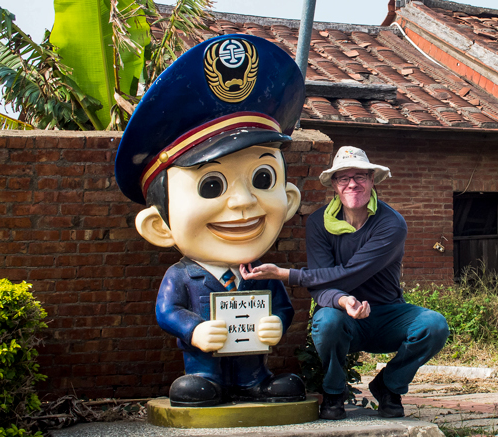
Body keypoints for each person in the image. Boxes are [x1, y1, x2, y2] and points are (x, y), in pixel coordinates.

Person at [114, 34, 307, 407]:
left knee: (275, 385)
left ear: (289, 200)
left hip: (254, 365)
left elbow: (282, 307)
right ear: (160, 226)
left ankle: (254, 382)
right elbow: (167, 311)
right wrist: (195, 328)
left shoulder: (260, 272)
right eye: (211, 185)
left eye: (263, 179)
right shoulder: (184, 276)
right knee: (198, 389)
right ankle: (206, 379)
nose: (243, 202)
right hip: (203, 363)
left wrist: (277, 325)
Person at [241, 146, 449, 420]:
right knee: (327, 321)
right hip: (342, 315)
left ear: (373, 180)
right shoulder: (318, 223)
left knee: (434, 325)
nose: (352, 183)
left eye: (360, 176)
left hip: (386, 314)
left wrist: (285, 274)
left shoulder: (391, 224)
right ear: (335, 186)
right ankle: (334, 393)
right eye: (344, 178)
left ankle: (389, 386)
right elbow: (321, 283)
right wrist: (342, 300)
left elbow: (351, 273)